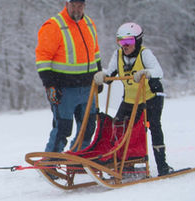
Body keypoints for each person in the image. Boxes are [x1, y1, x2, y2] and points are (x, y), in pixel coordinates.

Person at [94, 22, 173, 176]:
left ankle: (162, 165)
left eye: (128, 41)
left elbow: (159, 71)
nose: (125, 45)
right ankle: (126, 165)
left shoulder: (145, 54)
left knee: (154, 127)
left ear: (137, 41)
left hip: (150, 97)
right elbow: (110, 74)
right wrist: (102, 75)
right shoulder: (117, 55)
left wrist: (146, 72)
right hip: (130, 100)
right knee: (118, 127)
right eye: (121, 41)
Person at [35, 0, 102, 153]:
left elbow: (95, 53)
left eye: (80, 5)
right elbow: (43, 58)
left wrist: (99, 75)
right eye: (74, 5)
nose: (77, 9)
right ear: (67, 4)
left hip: (87, 87)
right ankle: (50, 161)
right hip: (64, 89)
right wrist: (50, 85)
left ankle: (78, 158)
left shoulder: (89, 24)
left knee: (88, 126)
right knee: (63, 128)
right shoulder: (54, 26)